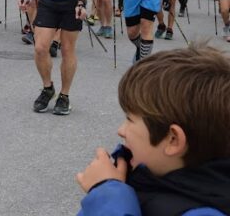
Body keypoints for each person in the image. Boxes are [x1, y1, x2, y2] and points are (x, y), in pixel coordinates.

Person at [75, 44, 230, 215]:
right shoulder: (152, 179)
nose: (121, 130)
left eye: (129, 120)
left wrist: (106, 194)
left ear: (173, 140)